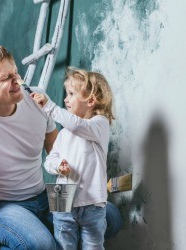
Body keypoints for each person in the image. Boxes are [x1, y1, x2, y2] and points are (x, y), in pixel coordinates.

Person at [0, 42, 122, 250]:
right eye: (6, 78)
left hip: (42, 195)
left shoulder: (36, 99)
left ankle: (29, 238)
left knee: (110, 218)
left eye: (15, 72)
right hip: (0, 206)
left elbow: (58, 152)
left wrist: (87, 184)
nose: (17, 81)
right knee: (43, 245)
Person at [31, 67, 115, 249]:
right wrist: (58, 167)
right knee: (63, 245)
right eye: (66, 94)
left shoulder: (99, 125)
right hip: (62, 197)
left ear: (91, 100)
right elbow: (49, 160)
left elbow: (77, 125)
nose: (65, 99)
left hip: (92, 201)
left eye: (71, 94)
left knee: (93, 245)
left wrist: (49, 106)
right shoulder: (64, 134)